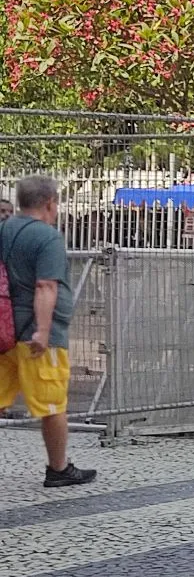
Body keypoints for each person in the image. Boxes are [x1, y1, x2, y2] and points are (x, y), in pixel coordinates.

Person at [0, 177, 95, 487]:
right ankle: (58, 468)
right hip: (36, 337)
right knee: (52, 404)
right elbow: (46, 285)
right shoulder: (47, 237)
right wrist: (42, 330)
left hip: (5, 332)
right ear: (50, 203)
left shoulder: (5, 229)